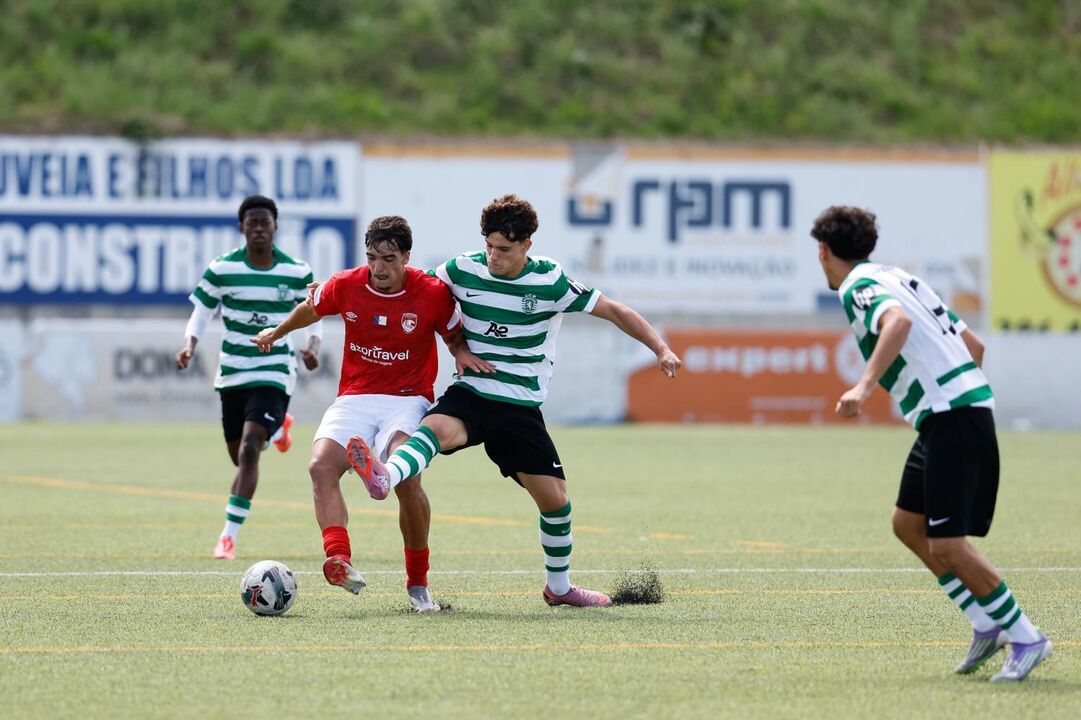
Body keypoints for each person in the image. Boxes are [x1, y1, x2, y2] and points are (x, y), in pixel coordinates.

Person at [346, 194, 682, 608]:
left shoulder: (550, 282)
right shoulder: (462, 268)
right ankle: (385, 477)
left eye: (503, 249)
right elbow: (405, 283)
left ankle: (558, 590)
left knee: (556, 503)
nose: (492, 256)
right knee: (433, 431)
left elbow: (613, 309)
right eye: (488, 245)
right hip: (473, 393)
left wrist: (660, 349)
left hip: (520, 408)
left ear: (527, 245)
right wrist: (333, 290)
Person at [811, 205, 1051, 682]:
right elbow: (974, 347)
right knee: (907, 524)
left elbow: (895, 324)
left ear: (823, 251)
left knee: (948, 546)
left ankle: (1027, 636)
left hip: (952, 417)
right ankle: (985, 623)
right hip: (951, 415)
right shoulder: (900, 276)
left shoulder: (860, 287)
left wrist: (863, 387)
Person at [252, 215, 488, 612]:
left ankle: (418, 586)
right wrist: (276, 332)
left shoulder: (432, 292)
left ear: (407, 257)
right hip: (356, 397)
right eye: (372, 257)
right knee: (320, 466)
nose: (378, 267)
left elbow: (453, 334)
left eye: (389, 258)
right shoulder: (346, 284)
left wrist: (462, 353)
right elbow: (311, 308)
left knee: (406, 476)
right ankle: (339, 558)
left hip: (408, 397)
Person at [176, 195, 322, 561]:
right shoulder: (222, 269)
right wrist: (190, 345)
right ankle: (278, 429)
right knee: (238, 455)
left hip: (274, 369)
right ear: (242, 227)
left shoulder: (295, 271)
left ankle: (227, 537)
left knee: (248, 447)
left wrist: (311, 347)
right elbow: (201, 312)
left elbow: (312, 312)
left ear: (274, 227)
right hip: (233, 372)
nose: (259, 228)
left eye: (265, 222)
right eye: (252, 223)